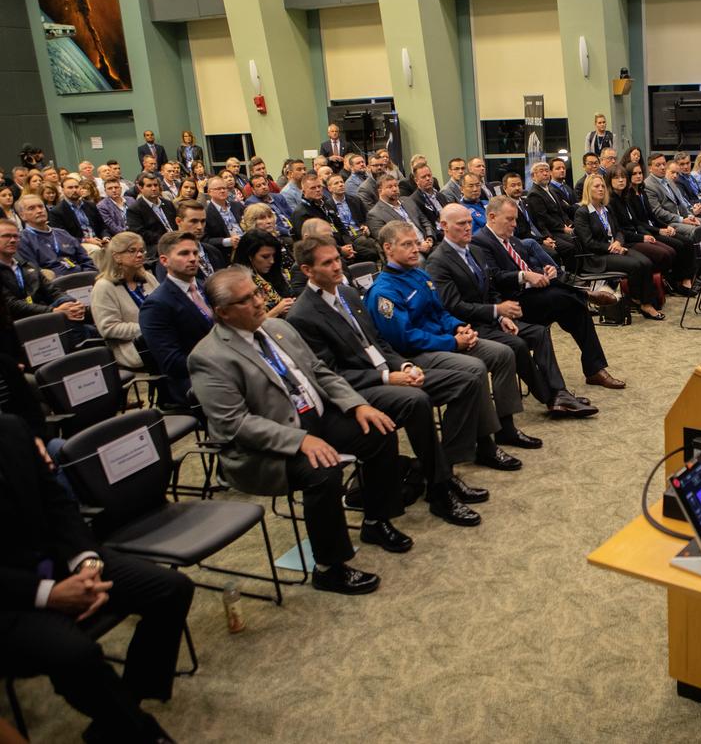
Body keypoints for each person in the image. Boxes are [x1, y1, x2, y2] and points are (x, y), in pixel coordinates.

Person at [189, 266, 410, 594]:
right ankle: (329, 567)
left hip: (315, 418)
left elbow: (319, 371)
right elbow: (236, 424)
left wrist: (356, 404)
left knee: (378, 430)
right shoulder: (209, 357)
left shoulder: (278, 328)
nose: (259, 301)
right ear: (222, 313)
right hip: (270, 444)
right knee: (324, 469)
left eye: (257, 293)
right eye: (246, 299)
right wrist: (301, 440)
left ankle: (376, 521)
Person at [0, 415, 193, 743]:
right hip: (11, 598)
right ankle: (141, 732)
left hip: (61, 561)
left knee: (172, 589)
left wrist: (87, 562)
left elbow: (58, 504)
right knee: (76, 654)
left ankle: (126, 703)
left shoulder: (11, 428)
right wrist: (49, 593)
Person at [287, 236, 484, 526]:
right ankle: (440, 491)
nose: (336, 266)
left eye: (336, 259)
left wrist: (403, 365)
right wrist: (387, 376)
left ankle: (444, 470)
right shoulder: (302, 315)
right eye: (327, 263)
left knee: (466, 382)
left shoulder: (348, 293)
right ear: (307, 270)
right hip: (361, 389)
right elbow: (330, 375)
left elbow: (376, 341)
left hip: (389, 370)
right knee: (416, 401)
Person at [365, 220, 539, 459]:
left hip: (444, 340)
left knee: (502, 353)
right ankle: (485, 446)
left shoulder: (419, 275)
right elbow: (405, 339)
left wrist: (459, 328)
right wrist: (452, 342)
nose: (415, 249)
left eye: (416, 243)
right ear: (388, 248)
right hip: (416, 355)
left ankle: (506, 428)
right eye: (407, 245)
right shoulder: (384, 291)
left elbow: (441, 313)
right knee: (476, 368)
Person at [429, 204, 597, 418]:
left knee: (539, 332)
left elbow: (491, 290)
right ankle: (552, 397)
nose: (468, 228)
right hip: (467, 327)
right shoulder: (438, 261)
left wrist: (501, 316)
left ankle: (559, 394)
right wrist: (496, 310)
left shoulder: (475, 251)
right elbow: (454, 307)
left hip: (492, 319)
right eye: (462, 224)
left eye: (470, 222)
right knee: (517, 343)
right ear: (444, 226)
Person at [473, 195, 625, 391]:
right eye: (509, 219)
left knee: (576, 309)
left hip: (535, 296)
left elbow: (533, 265)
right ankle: (586, 294)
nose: (514, 224)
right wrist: (524, 275)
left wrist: (544, 272)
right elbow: (494, 277)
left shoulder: (514, 241)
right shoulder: (480, 243)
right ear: (492, 217)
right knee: (564, 298)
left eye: (516, 219)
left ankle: (595, 369)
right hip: (510, 304)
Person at [137, 231, 215, 403]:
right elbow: (172, 363)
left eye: (195, 253)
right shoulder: (156, 305)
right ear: (164, 261)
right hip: (192, 379)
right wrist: (220, 362)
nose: (193, 258)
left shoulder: (206, 287)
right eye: (184, 253)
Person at [574, 173, 663, 321]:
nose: (601, 189)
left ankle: (642, 300)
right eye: (597, 186)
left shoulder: (606, 209)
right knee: (635, 265)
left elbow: (619, 231)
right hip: (597, 257)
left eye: (602, 186)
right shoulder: (582, 212)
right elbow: (588, 243)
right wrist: (611, 247)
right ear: (588, 189)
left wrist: (618, 242)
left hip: (615, 249)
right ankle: (641, 302)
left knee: (646, 262)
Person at [621, 162, 696, 293]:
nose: (638, 176)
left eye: (640, 173)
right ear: (628, 176)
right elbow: (638, 222)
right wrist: (659, 230)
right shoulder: (628, 196)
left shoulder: (642, 191)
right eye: (634, 174)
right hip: (646, 231)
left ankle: (686, 280)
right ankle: (675, 281)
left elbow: (652, 216)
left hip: (654, 227)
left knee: (688, 242)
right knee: (677, 245)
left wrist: (666, 226)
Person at [0, 218, 89, 325]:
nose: (13, 240)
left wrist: (70, 302)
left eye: (15, 236)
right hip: (14, 323)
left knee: (75, 307)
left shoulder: (26, 265)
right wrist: (53, 311)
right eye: (6, 236)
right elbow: (11, 305)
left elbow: (53, 291)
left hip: (42, 313)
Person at [606, 165, 680, 293]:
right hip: (628, 241)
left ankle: (660, 282)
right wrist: (642, 237)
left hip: (637, 235)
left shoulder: (625, 198)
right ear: (609, 181)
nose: (621, 180)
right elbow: (620, 230)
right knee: (663, 254)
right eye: (616, 178)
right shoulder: (610, 202)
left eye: (623, 177)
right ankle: (655, 284)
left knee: (670, 251)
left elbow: (636, 223)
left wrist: (647, 234)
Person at [89, 232, 157, 371]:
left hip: (162, 337)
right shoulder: (104, 286)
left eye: (141, 251)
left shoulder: (147, 278)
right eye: (132, 251)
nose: (139, 255)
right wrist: (148, 328)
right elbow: (108, 328)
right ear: (116, 256)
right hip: (135, 348)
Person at [292, 173, 380, 265]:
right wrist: (340, 250)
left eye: (319, 187)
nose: (318, 190)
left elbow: (341, 227)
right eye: (313, 188)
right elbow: (311, 243)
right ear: (304, 191)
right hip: (323, 252)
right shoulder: (301, 212)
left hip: (343, 244)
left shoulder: (325, 204)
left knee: (372, 254)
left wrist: (348, 245)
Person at [16, 194, 97, 277]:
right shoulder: (22, 239)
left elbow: (86, 260)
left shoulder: (62, 233)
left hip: (81, 277)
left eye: (41, 207)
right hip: (55, 283)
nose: (39, 211)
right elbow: (34, 272)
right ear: (22, 216)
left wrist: (88, 275)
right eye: (31, 208)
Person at [365, 172, 435, 259]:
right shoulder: (375, 214)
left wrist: (430, 238)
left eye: (396, 185)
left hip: (427, 243)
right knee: (421, 261)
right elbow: (389, 241)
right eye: (390, 187)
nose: (394, 189)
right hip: (406, 252)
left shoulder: (408, 200)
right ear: (380, 191)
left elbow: (425, 221)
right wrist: (418, 246)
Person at [230, 229, 296, 317]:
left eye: (273, 256)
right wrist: (277, 311)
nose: (272, 261)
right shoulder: (236, 280)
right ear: (249, 256)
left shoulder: (272, 271)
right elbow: (248, 325)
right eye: (265, 257)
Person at [643, 153, 701, 243]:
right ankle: (698, 256)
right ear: (650, 168)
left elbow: (680, 203)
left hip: (681, 217)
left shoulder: (668, 180)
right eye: (658, 165)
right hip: (667, 222)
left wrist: (690, 216)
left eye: (664, 164)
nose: (662, 167)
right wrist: (682, 220)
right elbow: (658, 212)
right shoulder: (648, 185)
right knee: (697, 229)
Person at [525, 160, 578, 259]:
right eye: (541, 171)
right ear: (533, 176)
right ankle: (571, 272)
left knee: (580, 236)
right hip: (550, 231)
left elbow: (561, 212)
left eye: (547, 170)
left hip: (560, 227)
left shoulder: (551, 190)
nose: (545, 173)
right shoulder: (534, 194)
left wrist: (569, 223)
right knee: (571, 244)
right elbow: (544, 218)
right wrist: (563, 228)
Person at [165, 199, 227, 283]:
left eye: (203, 221)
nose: (200, 227)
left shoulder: (214, 252)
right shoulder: (170, 258)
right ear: (179, 221)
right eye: (193, 221)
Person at [49, 176, 109, 249]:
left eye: (76, 187)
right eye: (70, 188)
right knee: (96, 249)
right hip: (78, 243)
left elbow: (102, 226)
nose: (74, 190)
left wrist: (105, 237)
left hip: (98, 240)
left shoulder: (91, 205)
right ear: (63, 190)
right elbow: (62, 237)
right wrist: (87, 240)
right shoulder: (56, 212)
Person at [125, 174, 178, 256]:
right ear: (140, 188)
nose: (153, 188)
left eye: (155, 185)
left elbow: (176, 223)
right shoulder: (135, 209)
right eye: (149, 186)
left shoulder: (168, 203)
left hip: (176, 239)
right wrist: (166, 239)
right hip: (155, 245)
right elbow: (140, 233)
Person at [204, 174, 245, 254]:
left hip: (246, 243)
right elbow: (205, 240)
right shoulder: (206, 213)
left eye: (224, 188)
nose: (222, 191)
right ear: (209, 192)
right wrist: (227, 241)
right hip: (227, 251)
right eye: (218, 189)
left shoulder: (237, 205)